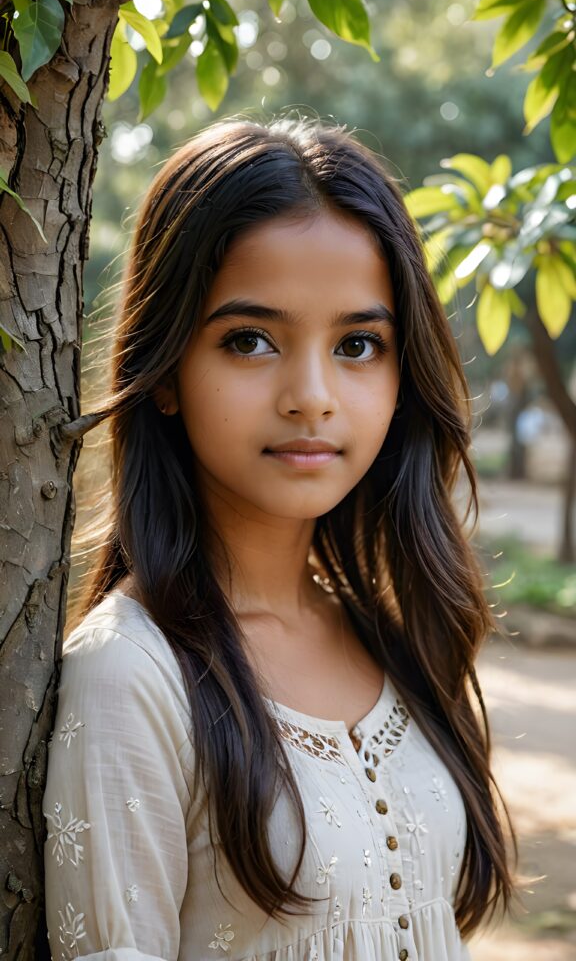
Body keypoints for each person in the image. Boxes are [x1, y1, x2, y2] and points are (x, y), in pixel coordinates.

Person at [42, 117, 515, 961]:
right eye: (250, 341)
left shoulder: (391, 633)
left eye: (358, 345)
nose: (312, 396)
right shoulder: (132, 672)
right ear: (165, 376)